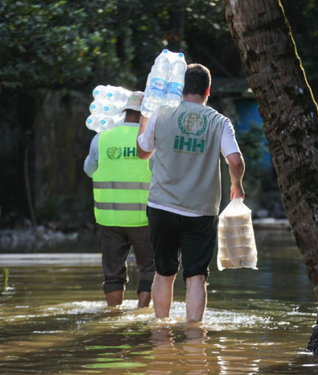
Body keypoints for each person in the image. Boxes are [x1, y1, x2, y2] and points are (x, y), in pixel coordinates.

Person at [136, 63, 245, 323]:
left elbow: (143, 152)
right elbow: (236, 160)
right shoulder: (220, 122)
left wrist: (145, 115)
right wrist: (236, 184)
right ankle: (195, 338)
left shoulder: (161, 114)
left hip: (162, 207)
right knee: (197, 275)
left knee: (164, 272)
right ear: (208, 89)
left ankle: (161, 333)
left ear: (180, 89)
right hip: (201, 211)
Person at [83, 91, 154, 308]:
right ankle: (141, 313)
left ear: (124, 111)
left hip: (109, 218)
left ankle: (113, 316)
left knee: (113, 273)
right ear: (146, 114)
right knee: (150, 268)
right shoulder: (151, 139)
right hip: (144, 218)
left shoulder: (102, 137)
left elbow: (89, 170)